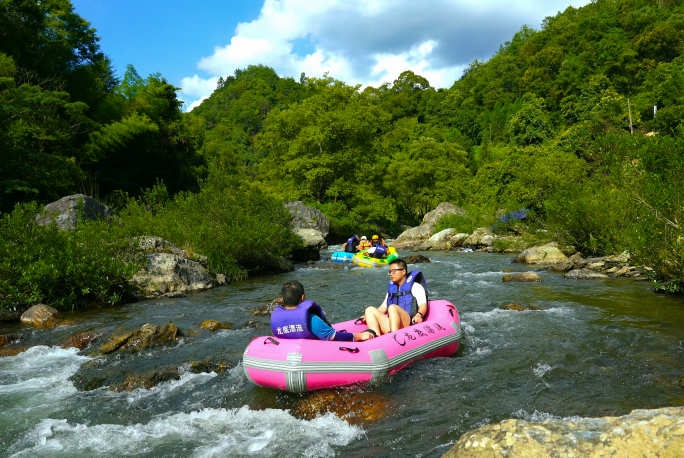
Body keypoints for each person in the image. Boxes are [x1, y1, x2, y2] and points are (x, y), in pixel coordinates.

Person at [272, 281, 374, 342]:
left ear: (283, 299)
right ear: (302, 297)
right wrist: (360, 335)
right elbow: (335, 337)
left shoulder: (277, 320)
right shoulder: (311, 319)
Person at [361, 259, 428, 336]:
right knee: (369, 310)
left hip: (408, 323)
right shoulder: (392, 289)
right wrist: (367, 316)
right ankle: (376, 338)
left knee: (392, 307)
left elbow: (423, 305)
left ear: (403, 271)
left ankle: (394, 337)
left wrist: (419, 315)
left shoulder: (415, 286)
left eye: (394, 271)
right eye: (390, 272)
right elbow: (383, 308)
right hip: (393, 324)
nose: (391, 274)